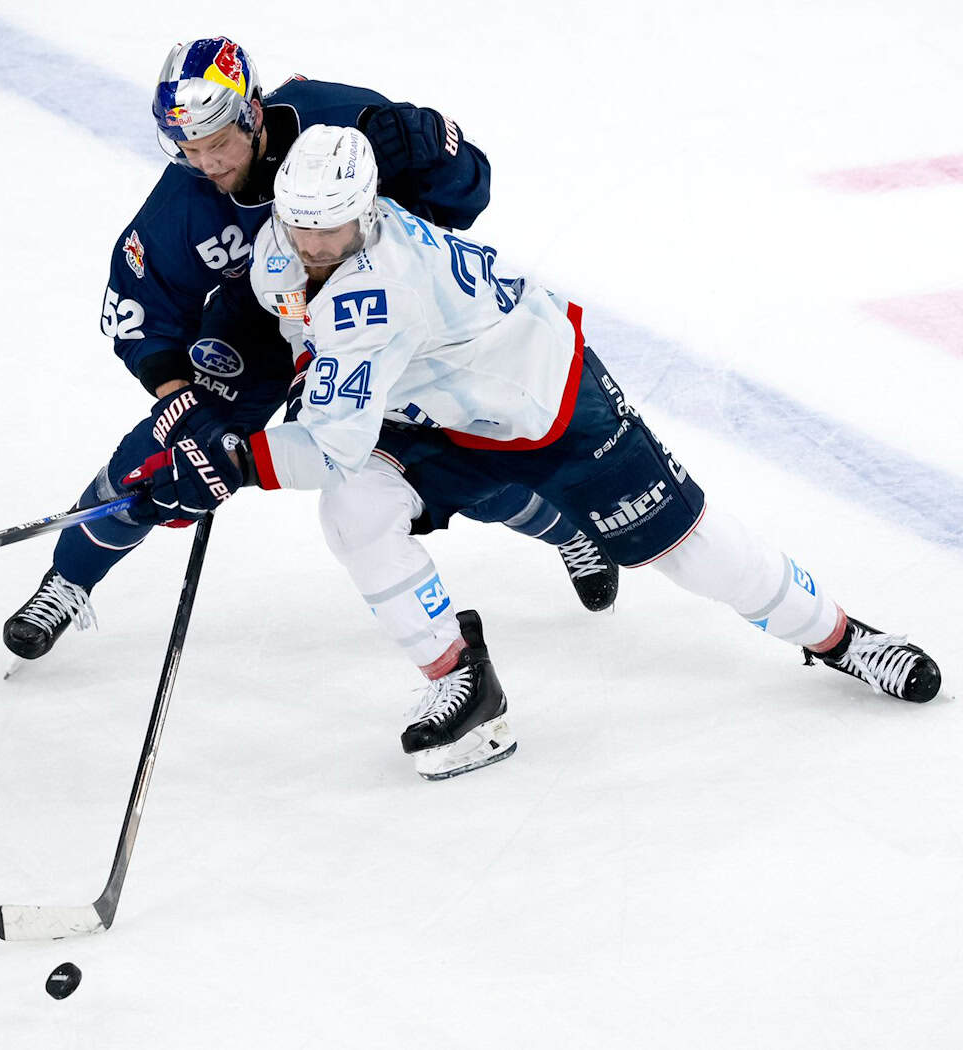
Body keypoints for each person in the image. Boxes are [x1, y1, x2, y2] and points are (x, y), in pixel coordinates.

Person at [126, 124, 943, 780]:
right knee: (356, 513)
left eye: (329, 227)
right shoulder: (289, 243)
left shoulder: (380, 290)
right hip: (434, 412)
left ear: (367, 210)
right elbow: (305, 345)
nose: (311, 243)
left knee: (692, 554)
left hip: (550, 405)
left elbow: (331, 444)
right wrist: (231, 415)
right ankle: (462, 682)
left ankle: (839, 636)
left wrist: (234, 463)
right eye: (299, 224)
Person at [2, 37, 618, 666]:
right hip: (261, 323)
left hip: (380, 320)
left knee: (449, 460)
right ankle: (68, 579)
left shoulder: (337, 124)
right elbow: (142, 315)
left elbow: (467, 199)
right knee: (157, 457)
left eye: (218, 143)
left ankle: (567, 529)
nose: (206, 164)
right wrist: (184, 408)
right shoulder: (184, 202)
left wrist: (434, 150)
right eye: (188, 148)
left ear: (252, 114)